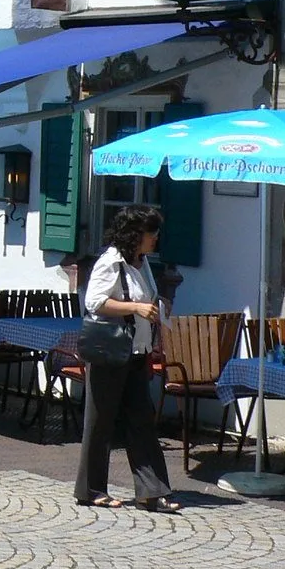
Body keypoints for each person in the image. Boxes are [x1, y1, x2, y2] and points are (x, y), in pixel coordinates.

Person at [76, 203, 179, 512]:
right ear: (135, 234)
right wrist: (134, 308)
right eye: (151, 232)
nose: (155, 238)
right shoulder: (111, 261)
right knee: (100, 422)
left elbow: (143, 297)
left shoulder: (142, 262)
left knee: (142, 422)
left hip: (137, 352)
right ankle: (91, 489)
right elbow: (94, 302)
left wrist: (157, 306)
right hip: (111, 351)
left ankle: (152, 491)